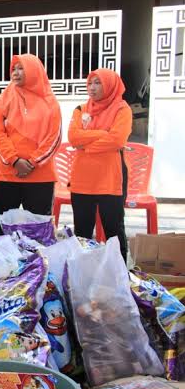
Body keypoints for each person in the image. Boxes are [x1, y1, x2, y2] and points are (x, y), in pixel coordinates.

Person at [0, 53, 62, 235]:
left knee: (38, 230)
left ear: (34, 71)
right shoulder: (4, 98)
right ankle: (5, 264)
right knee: (2, 228)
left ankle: (36, 264)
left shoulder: (50, 102)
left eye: (21, 68)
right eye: (13, 68)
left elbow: (54, 138)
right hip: (5, 174)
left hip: (39, 175)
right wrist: (14, 160)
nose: (15, 72)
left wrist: (32, 163)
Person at [68, 69, 131, 260]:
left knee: (114, 229)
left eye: (98, 83)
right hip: (82, 179)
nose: (92, 88)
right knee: (82, 230)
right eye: (90, 83)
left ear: (110, 85)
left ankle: (119, 271)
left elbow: (118, 139)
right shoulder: (80, 109)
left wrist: (86, 147)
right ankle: (83, 272)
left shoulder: (122, 109)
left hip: (110, 178)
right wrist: (103, 133)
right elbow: (73, 137)